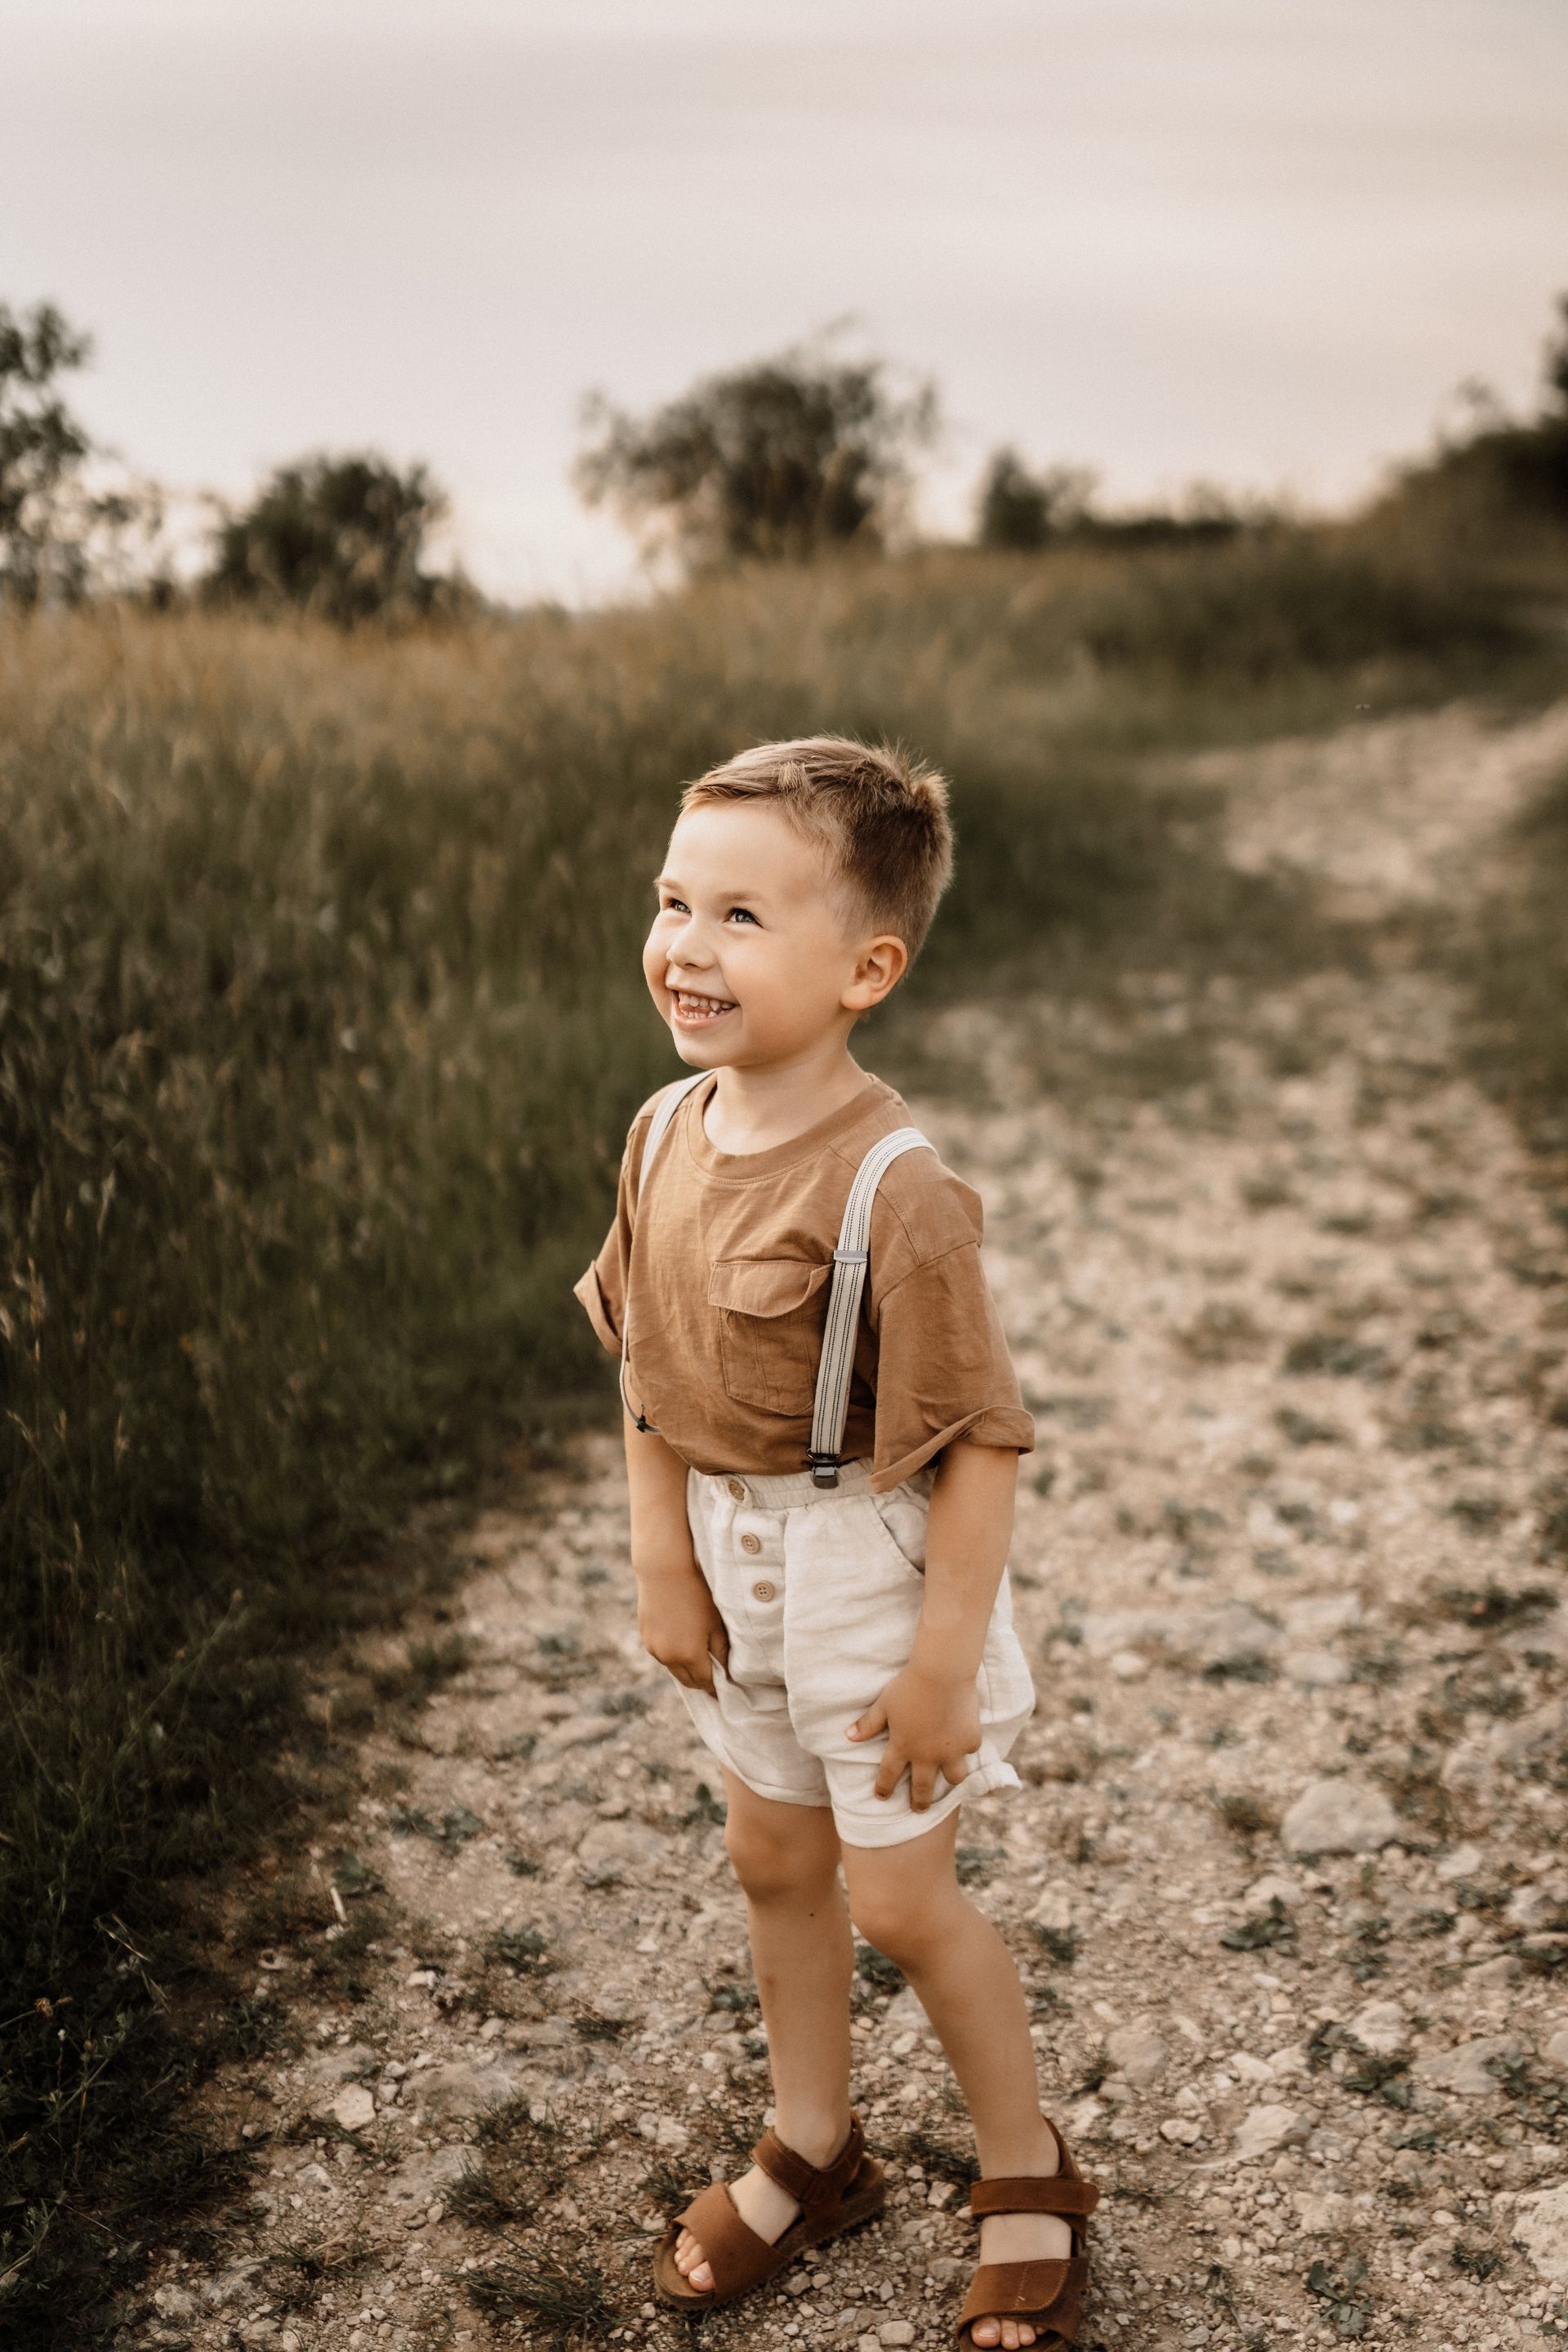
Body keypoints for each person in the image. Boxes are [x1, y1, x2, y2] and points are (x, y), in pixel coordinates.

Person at [573, 737, 1098, 2350]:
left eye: (742, 916)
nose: (687, 946)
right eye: (677, 903)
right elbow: (647, 1364)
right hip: (728, 1559)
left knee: (903, 1901)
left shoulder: (898, 1188)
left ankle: (1029, 2167)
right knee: (771, 1859)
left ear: (868, 965)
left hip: (866, 1567)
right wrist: (660, 1549)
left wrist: (945, 1664)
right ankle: (816, 2138)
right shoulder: (665, 1132)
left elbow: (982, 1446)